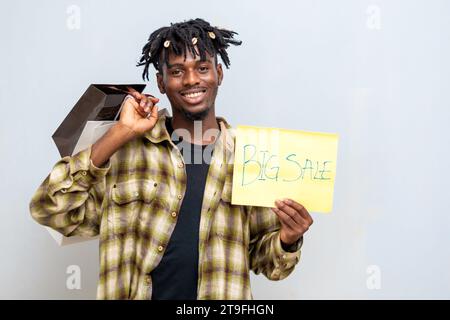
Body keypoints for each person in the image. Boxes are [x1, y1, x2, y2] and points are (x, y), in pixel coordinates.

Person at [29, 18, 313, 300]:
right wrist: (119, 133)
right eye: (177, 71)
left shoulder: (251, 158)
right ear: (161, 82)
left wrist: (288, 238)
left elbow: (269, 265)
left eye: (202, 68)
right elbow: (51, 210)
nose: (191, 80)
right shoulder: (126, 152)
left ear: (219, 74)